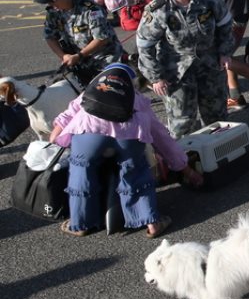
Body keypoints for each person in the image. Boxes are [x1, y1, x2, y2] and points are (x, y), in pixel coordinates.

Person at [50, 63, 203, 237]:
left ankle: (80, 225)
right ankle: (152, 223)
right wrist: (187, 170)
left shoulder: (92, 90)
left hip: (88, 132)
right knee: (136, 172)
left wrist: (55, 134)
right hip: (128, 134)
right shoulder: (137, 99)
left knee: (81, 172)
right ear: (131, 83)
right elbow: (162, 139)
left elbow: (69, 113)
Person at [136, 0, 235, 139]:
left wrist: (225, 52)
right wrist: (156, 77)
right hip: (176, 72)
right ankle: (185, 161)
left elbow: (225, 24)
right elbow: (144, 46)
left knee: (216, 115)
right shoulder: (159, 9)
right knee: (182, 121)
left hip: (210, 65)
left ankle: (220, 154)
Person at [37, 0, 124, 85]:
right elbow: (50, 37)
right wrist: (64, 56)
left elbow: (101, 38)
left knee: (105, 93)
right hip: (77, 62)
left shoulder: (90, 9)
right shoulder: (54, 12)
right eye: (47, 1)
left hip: (104, 59)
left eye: (52, 0)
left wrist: (79, 55)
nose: (50, 4)